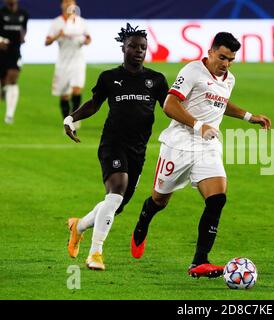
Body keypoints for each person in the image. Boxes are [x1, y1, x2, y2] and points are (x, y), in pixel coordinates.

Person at [130, 32, 272, 278]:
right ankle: (143, 221)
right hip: (179, 144)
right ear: (211, 52)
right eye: (222, 57)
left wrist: (250, 116)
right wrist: (199, 126)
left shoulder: (229, 79)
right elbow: (169, 105)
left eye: (230, 59)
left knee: (217, 199)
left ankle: (199, 262)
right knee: (159, 200)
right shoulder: (193, 71)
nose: (225, 63)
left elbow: (221, 101)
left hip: (208, 146)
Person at [64, 23, 169, 271]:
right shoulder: (110, 78)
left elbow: (171, 108)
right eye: (133, 46)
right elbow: (93, 104)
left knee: (115, 204)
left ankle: (78, 226)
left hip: (138, 150)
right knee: (117, 190)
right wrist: (71, 118)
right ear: (123, 47)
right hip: (113, 144)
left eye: (143, 47)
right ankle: (95, 253)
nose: (139, 51)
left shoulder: (156, 80)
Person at [45, 0, 91, 129]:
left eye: (70, 2)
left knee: (77, 89)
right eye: (65, 2)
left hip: (78, 60)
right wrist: (58, 35)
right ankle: (66, 122)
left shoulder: (81, 22)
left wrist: (84, 41)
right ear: (62, 5)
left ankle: (75, 118)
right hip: (63, 61)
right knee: (64, 95)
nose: (68, 4)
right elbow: (47, 42)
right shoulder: (56, 23)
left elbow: (89, 39)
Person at [0, 0, 28, 124]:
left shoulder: (24, 14)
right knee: (3, 81)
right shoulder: (0, 13)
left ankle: (9, 115)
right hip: (1, 51)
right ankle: (4, 89)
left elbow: (24, 31)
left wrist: (23, 37)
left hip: (15, 51)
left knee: (13, 79)